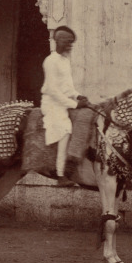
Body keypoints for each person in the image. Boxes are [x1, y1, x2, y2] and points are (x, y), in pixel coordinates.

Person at [41, 26, 90, 185]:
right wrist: (74, 105)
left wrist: (78, 95)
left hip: (63, 103)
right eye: (67, 42)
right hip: (52, 104)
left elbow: (67, 87)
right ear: (58, 41)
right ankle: (60, 173)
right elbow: (53, 90)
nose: (70, 46)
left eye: (71, 43)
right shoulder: (51, 61)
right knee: (65, 129)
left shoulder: (65, 61)